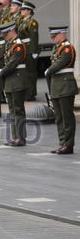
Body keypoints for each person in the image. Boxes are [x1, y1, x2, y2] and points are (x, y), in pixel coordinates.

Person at [45, 26, 78, 155]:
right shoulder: (57, 48)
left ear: (62, 34)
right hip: (57, 86)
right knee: (59, 117)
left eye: (54, 36)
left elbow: (59, 64)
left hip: (65, 86)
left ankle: (68, 145)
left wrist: (49, 70)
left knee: (67, 117)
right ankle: (62, 143)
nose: (52, 39)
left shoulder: (67, 48)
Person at [0, 22, 28, 147]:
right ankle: (16, 137)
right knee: (12, 110)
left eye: (5, 34)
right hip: (10, 81)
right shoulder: (10, 44)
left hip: (17, 81)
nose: (4, 37)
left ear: (11, 31)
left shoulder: (18, 46)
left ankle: (20, 138)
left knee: (18, 110)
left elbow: (13, 63)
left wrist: (2, 72)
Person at [18, 1, 39, 101]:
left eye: (24, 9)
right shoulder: (22, 21)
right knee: (25, 72)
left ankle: (31, 93)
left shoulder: (32, 22)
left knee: (31, 73)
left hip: (30, 49)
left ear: (29, 11)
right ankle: (27, 92)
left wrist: (34, 51)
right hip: (24, 49)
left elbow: (34, 37)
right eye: (21, 9)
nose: (21, 11)